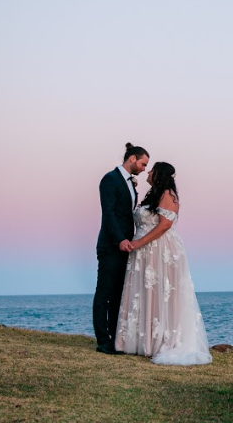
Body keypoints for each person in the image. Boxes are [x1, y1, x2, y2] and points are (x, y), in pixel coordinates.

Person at [115, 162, 211, 365]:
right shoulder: (153, 194)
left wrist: (139, 242)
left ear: (159, 174)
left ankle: (160, 342)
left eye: (151, 170)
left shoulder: (167, 194)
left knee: (159, 293)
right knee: (146, 292)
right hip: (144, 251)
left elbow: (165, 225)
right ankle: (143, 341)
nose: (148, 172)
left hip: (158, 249)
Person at [93, 143, 149, 355]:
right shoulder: (110, 179)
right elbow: (108, 214)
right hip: (110, 245)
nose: (144, 169)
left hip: (126, 247)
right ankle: (102, 340)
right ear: (132, 158)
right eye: (143, 164)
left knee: (118, 294)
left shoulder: (130, 183)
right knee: (104, 292)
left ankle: (115, 338)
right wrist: (119, 239)